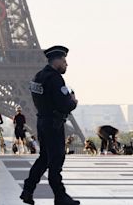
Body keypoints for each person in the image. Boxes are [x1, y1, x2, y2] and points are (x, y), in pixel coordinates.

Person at [20, 45, 79, 205]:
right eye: (64, 61)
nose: (66, 64)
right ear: (57, 60)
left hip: (42, 121)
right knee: (56, 159)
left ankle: (28, 190)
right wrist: (72, 102)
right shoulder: (55, 78)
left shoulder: (38, 76)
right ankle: (60, 196)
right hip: (54, 124)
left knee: (44, 158)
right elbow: (63, 104)